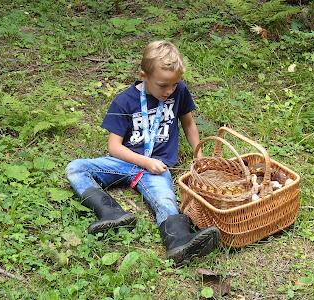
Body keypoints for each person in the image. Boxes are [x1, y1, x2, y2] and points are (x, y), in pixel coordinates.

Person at [65, 40, 220, 265]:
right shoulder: (124, 101)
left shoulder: (179, 91)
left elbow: (188, 124)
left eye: (174, 84)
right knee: (76, 168)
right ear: (144, 75)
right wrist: (144, 161)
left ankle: (179, 242)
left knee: (165, 198)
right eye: (162, 85)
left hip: (157, 168)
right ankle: (111, 213)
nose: (169, 91)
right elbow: (114, 147)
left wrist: (199, 156)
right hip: (126, 161)